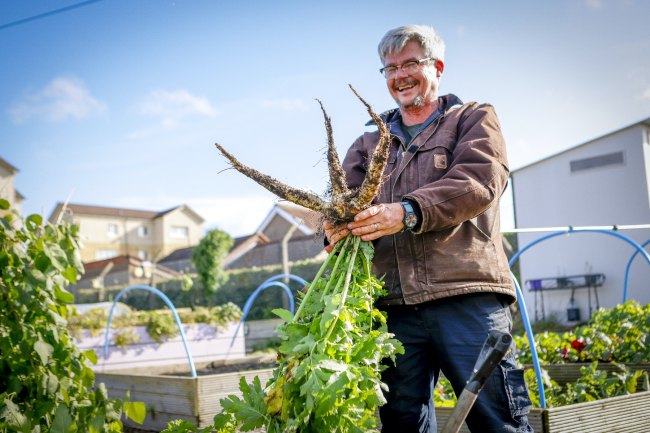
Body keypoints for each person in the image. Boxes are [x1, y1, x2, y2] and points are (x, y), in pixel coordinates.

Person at [323, 24, 533, 433]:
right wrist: (333, 230)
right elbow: (339, 202)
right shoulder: (368, 144)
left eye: (410, 63)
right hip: (394, 307)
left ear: (437, 67)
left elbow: (479, 181)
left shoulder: (472, 118)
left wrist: (407, 210)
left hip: (465, 294)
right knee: (402, 422)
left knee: (498, 418)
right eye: (389, 68)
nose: (399, 74)